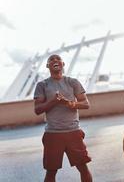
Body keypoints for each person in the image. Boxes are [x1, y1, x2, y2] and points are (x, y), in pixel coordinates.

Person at [34, 54, 92, 182]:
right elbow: (37, 110)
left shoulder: (72, 82)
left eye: (58, 59)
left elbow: (86, 104)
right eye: (51, 60)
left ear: (63, 64)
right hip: (53, 134)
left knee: (83, 167)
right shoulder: (42, 85)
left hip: (73, 132)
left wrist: (71, 103)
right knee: (51, 172)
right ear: (47, 66)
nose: (55, 60)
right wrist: (54, 101)